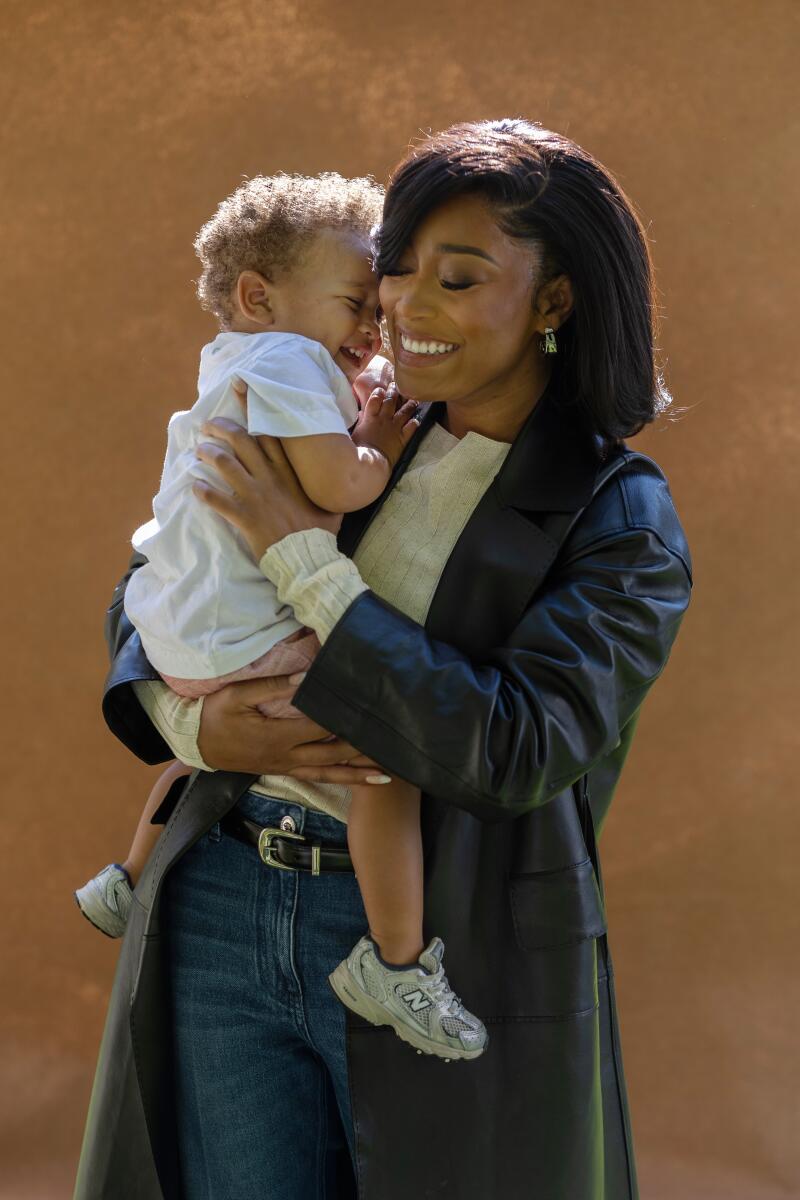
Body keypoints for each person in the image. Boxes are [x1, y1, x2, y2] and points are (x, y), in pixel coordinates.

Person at [76, 118, 693, 1200]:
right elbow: (160, 589)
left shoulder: (617, 516)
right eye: (393, 273)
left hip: (433, 936)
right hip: (222, 900)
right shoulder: (352, 420)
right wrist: (193, 727)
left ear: (551, 302)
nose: (402, 309)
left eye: (455, 279)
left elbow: (512, 748)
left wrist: (302, 554)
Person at [73, 170, 487, 1057]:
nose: (373, 332)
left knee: (198, 759)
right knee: (384, 747)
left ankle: (126, 879)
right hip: (243, 637)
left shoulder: (229, 362)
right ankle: (397, 961)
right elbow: (339, 484)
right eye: (356, 305)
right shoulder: (290, 360)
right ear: (260, 297)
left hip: (174, 630)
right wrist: (377, 439)